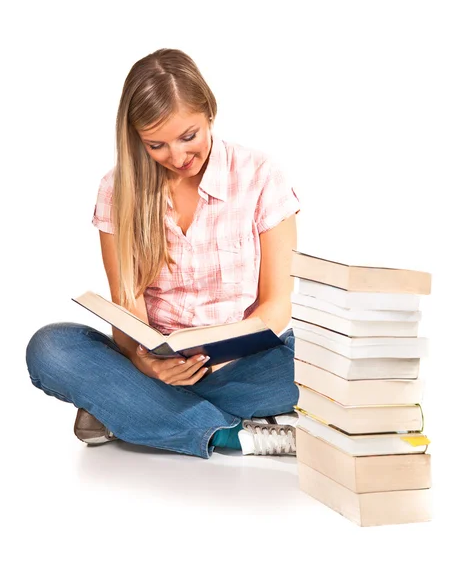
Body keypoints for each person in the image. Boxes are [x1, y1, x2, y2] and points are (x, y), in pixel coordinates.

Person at [25, 48, 301, 459]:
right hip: (156, 367)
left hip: (242, 364)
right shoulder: (117, 189)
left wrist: (221, 358)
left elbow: (276, 304)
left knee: (322, 365)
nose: (177, 157)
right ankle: (228, 434)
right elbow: (127, 306)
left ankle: (124, 408)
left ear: (209, 112)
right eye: (157, 145)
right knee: (49, 348)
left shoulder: (261, 176)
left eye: (188, 137)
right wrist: (146, 366)